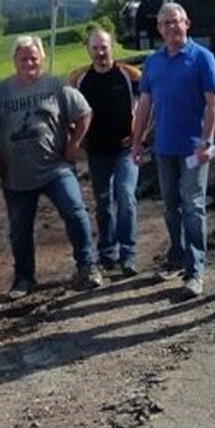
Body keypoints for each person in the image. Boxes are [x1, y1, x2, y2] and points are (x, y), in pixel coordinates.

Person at [0, 35, 103, 297]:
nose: (29, 63)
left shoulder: (56, 87)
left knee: (75, 212)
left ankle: (87, 266)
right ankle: (24, 278)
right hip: (16, 176)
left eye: (34, 58)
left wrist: (73, 145)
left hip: (55, 169)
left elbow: (85, 113)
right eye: (23, 58)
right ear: (14, 60)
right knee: (19, 229)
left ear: (42, 59)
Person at [131, 3, 215, 298]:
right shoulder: (153, 62)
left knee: (193, 205)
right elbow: (144, 104)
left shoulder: (202, 58)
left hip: (194, 148)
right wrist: (137, 140)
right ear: (159, 29)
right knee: (171, 206)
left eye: (176, 21)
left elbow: (213, 102)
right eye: (166, 23)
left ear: (187, 23)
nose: (171, 27)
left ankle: (195, 270)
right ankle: (177, 254)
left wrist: (207, 141)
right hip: (164, 147)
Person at [71, 28, 141, 277]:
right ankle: (107, 253)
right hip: (96, 151)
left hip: (125, 149)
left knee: (125, 195)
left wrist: (139, 135)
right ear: (89, 50)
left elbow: (149, 104)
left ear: (112, 46)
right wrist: (78, 141)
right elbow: (68, 113)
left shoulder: (129, 75)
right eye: (95, 48)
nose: (101, 53)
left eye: (104, 47)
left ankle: (129, 255)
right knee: (103, 202)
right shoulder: (78, 79)